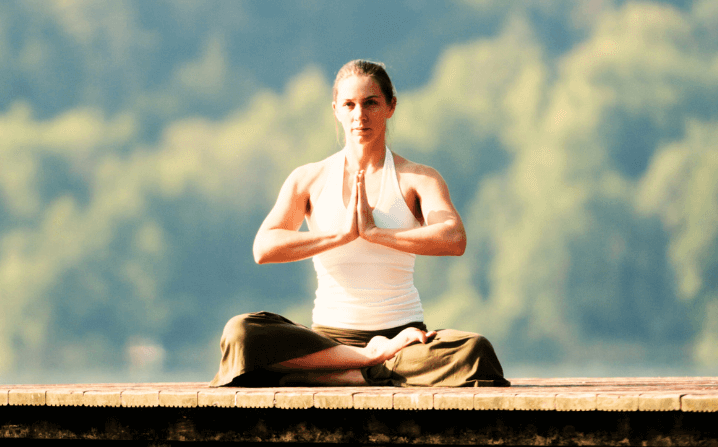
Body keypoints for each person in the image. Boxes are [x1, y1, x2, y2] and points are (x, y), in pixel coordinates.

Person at [211, 59, 507, 388]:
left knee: (475, 353)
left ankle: (333, 373)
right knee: (241, 334)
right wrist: (342, 234)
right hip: (328, 343)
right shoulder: (308, 179)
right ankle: (366, 363)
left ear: (391, 106)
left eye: (371, 103)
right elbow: (264, 248)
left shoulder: (418, 178)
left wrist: (375, 233)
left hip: (405, 341)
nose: (360, 115)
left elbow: (454, 239)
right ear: (336, 109)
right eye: (349, 104)